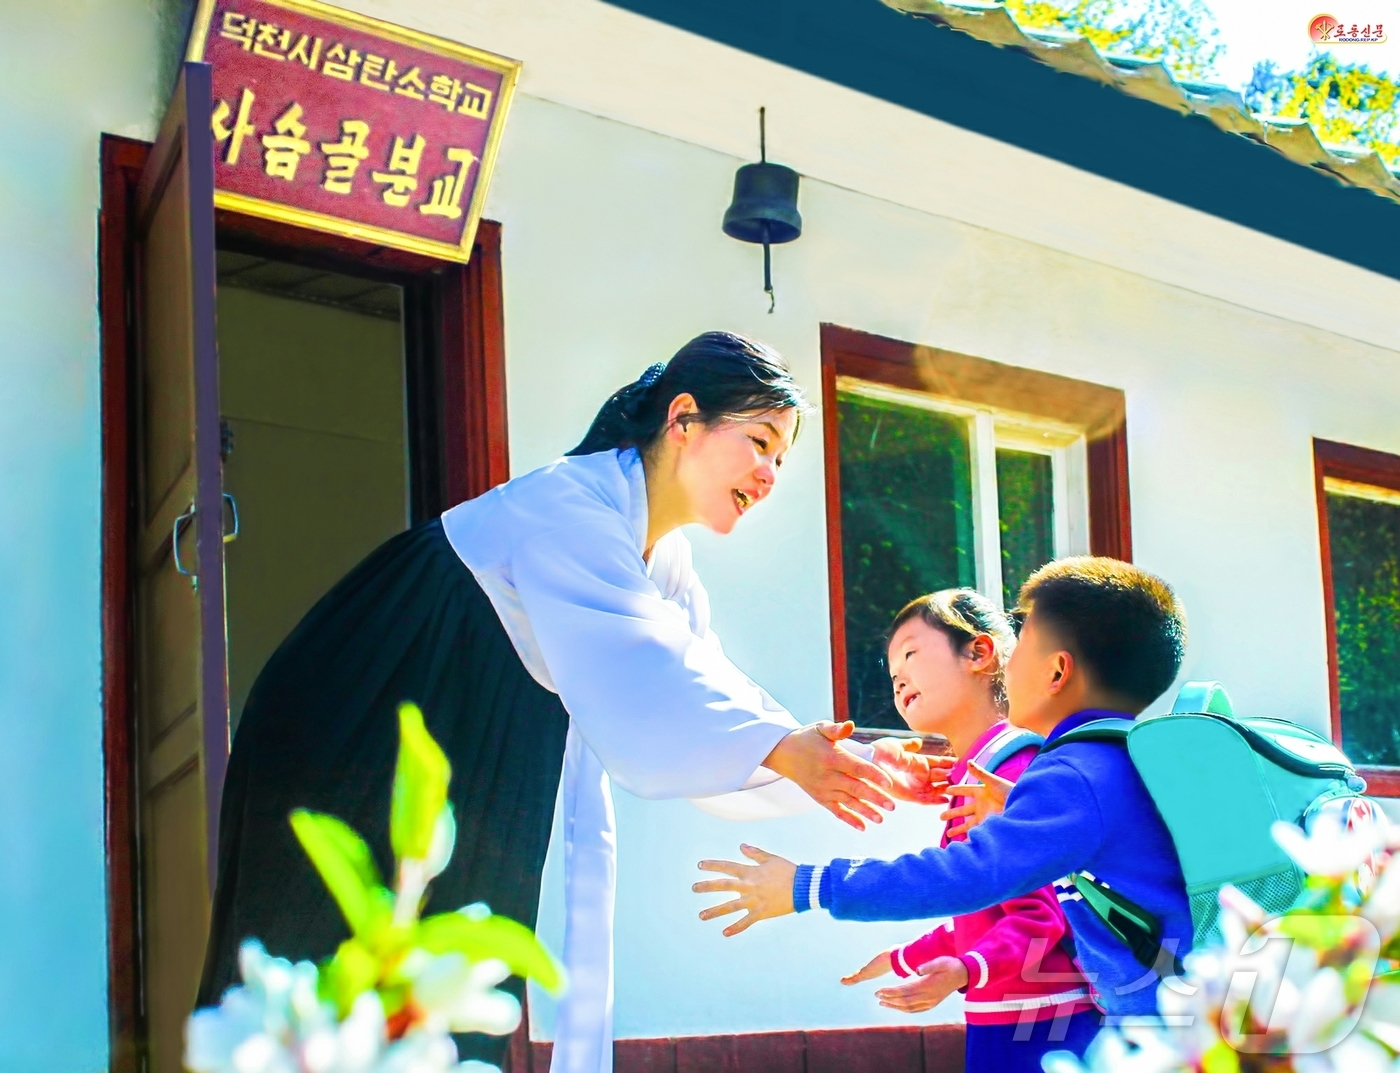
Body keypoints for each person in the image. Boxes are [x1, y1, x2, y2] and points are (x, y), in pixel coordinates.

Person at [199, 331, 933, 1072]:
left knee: (449, 974)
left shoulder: (664, 560)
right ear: (684, 418)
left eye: (781, 458)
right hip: (371, 706)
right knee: (325, 942)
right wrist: (783, 748)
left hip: (485, 732)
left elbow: (702, 684)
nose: (770, 473)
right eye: (761, 442)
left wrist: (850, 760)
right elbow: (654, 674)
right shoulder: (571, 503)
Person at [693, 557, 1193, 1032]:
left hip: (1158, 1029)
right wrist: (1015, 810)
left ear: (1056, 672)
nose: (1007, 660)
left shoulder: (1072, 774)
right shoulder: (1111, 760)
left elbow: (968, 875)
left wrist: (814, 885)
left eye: (1021, 644)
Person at [838, 589, 1098, 1071]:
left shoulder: (1006, 772)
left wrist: (964, 969)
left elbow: (1039, 917)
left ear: (979, 653)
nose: (899, 679)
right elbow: (986, 913)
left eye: (911, 654)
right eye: (892, 674)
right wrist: (904, 958)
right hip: (1015, 1019)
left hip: (1042, 1027)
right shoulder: (980, 768)